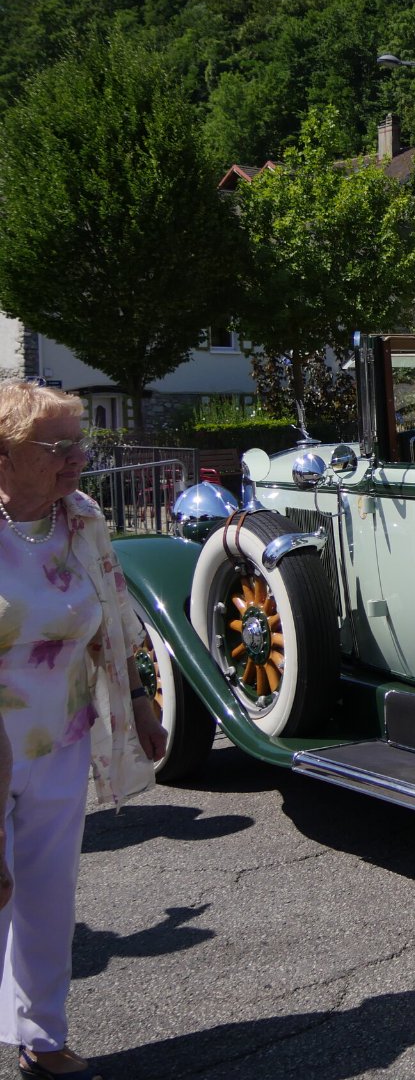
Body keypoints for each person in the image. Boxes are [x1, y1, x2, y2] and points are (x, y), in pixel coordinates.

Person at [0, 381, 167, 1080]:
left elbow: (116, 615)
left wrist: (142, 700)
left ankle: (42, 1037)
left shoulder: (83, 517)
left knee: (47, 897)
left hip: (59, 740)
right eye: (57, 446)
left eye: (80, 444)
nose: (77, 459)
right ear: (3, 456)